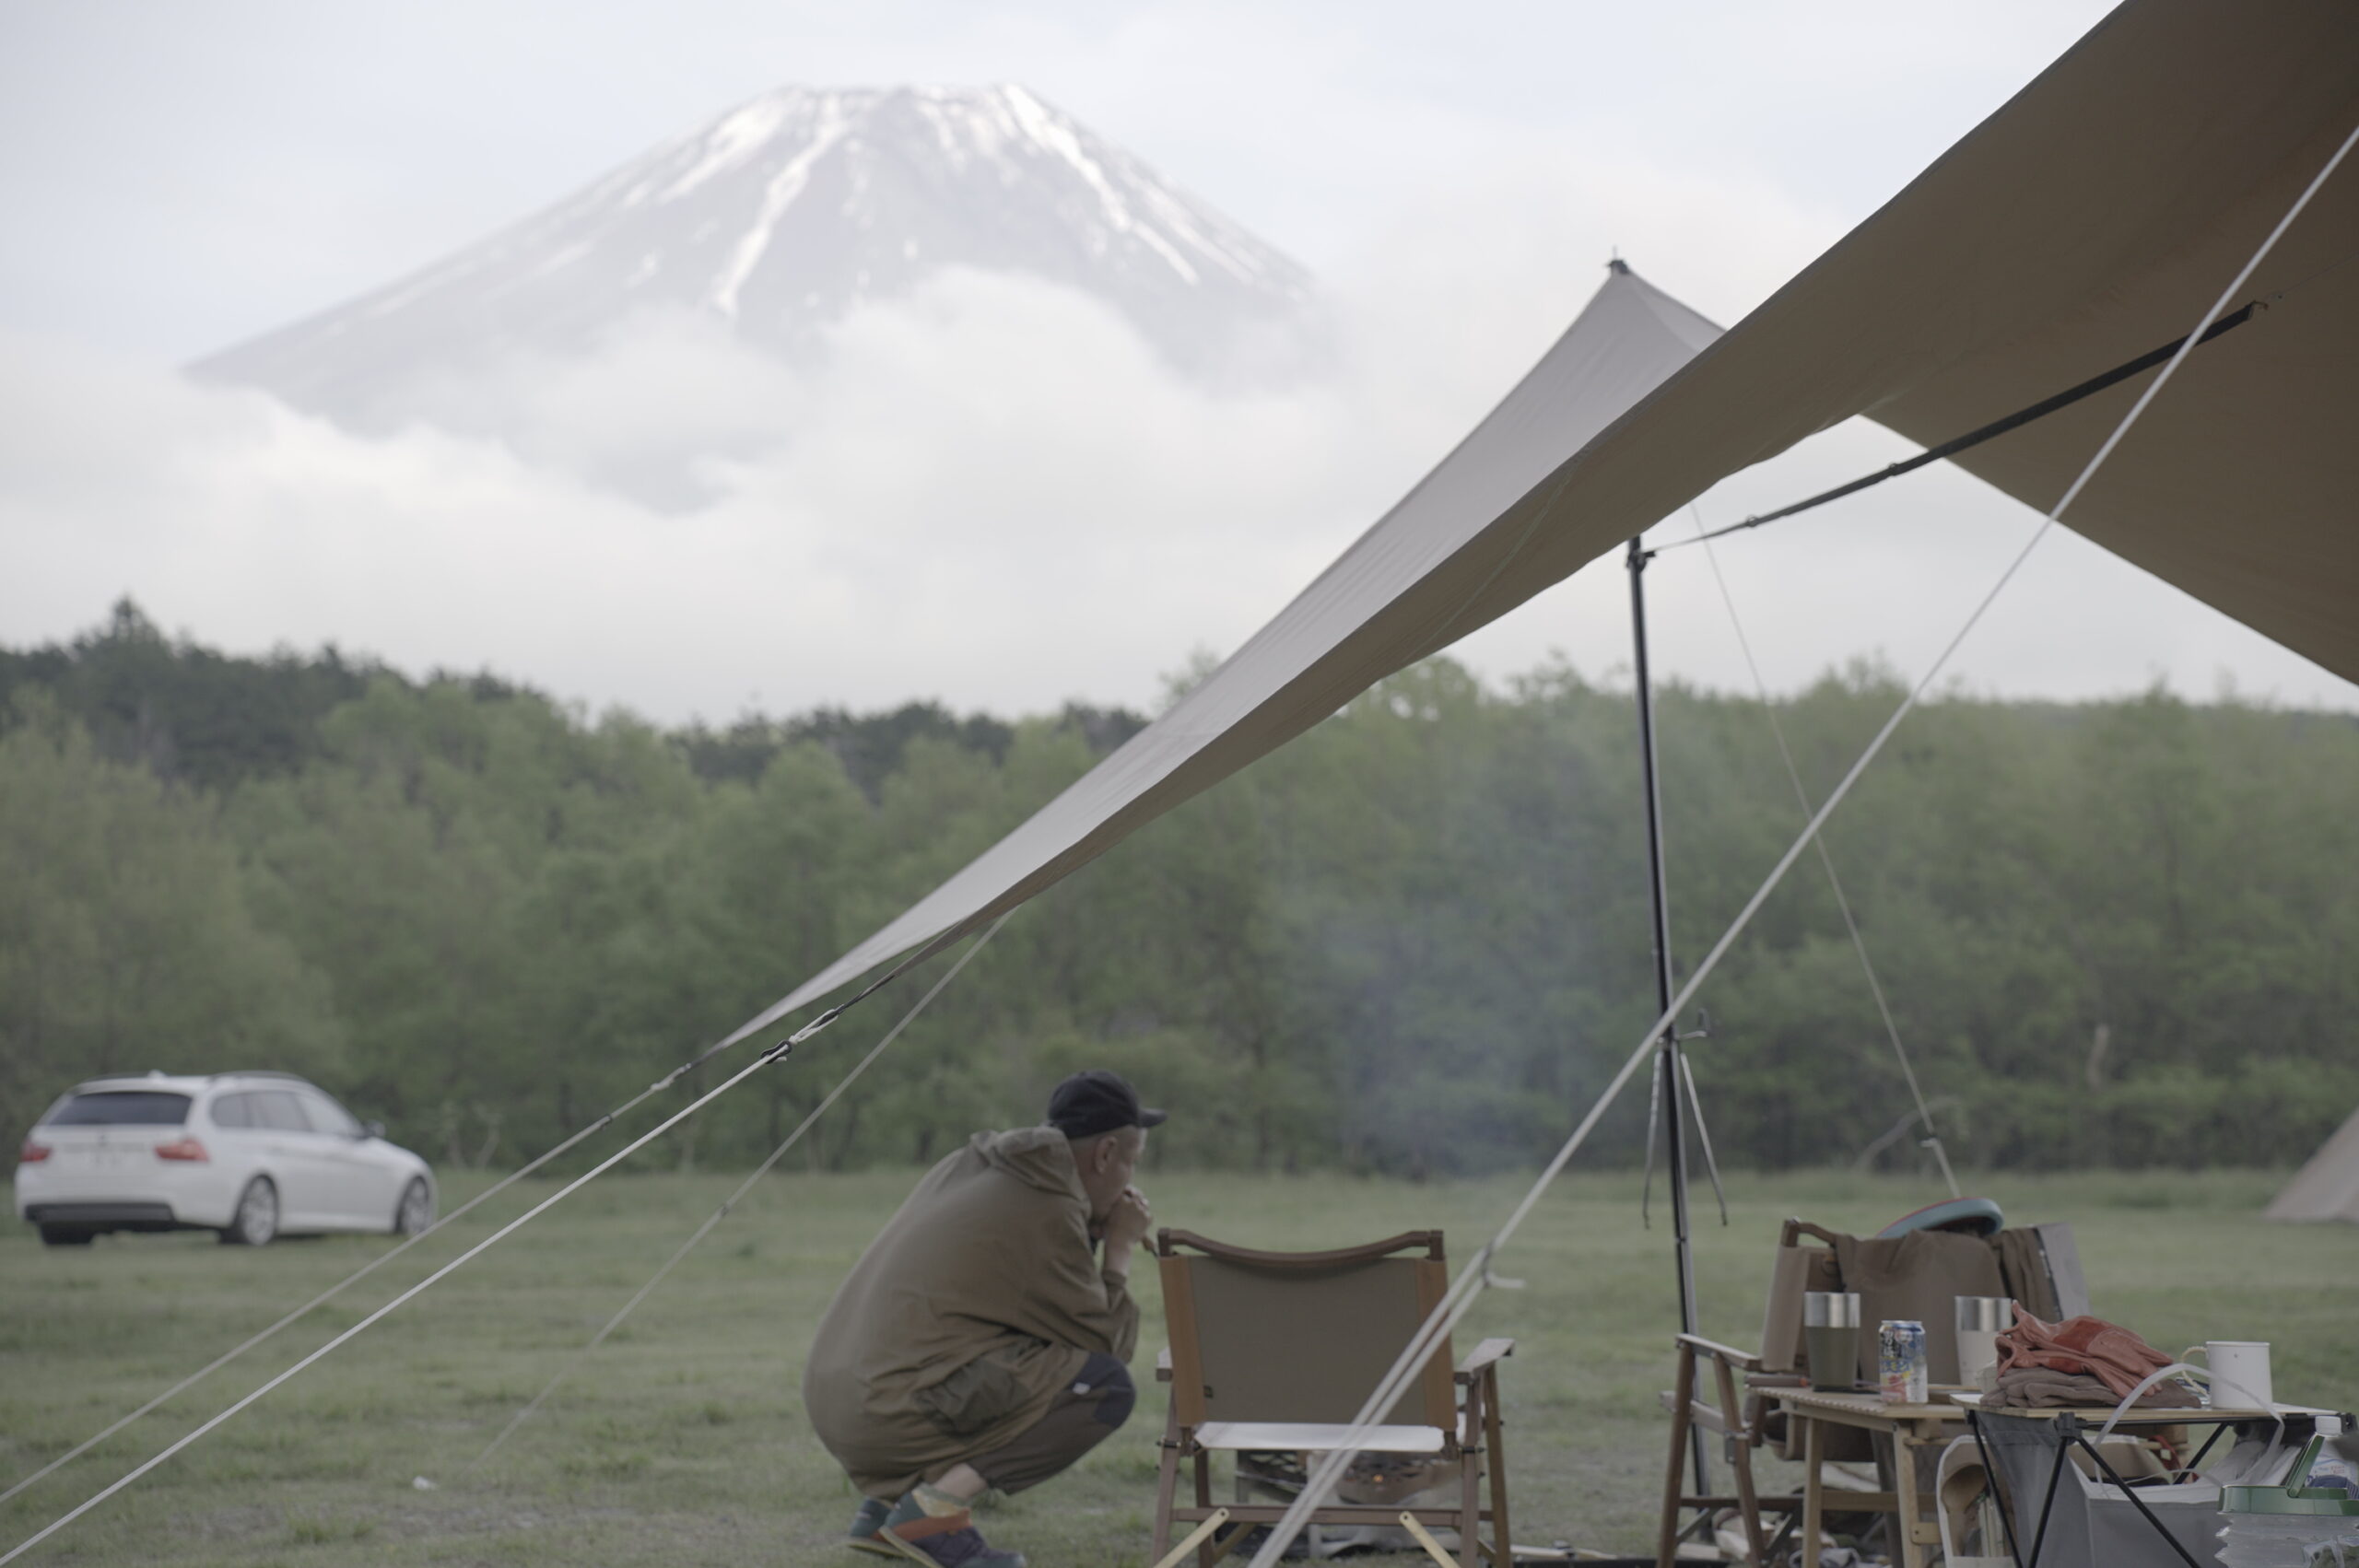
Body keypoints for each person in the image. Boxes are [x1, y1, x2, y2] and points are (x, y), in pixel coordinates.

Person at [804, 1070, 1165, 1566]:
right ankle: (931, 1515)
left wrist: (1091, 1232)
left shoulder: (977, 1165)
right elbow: (1106, 1345)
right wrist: (1119, 1248)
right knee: (1102, 1388)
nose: (1131, 1182)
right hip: (889, 1413)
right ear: (1105, 1155)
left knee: (1026, 1357)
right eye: (1132, 1163)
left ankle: (885, 1511)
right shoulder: (1049, 1207)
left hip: (841, 1404)